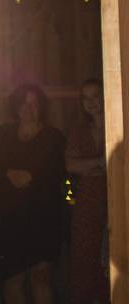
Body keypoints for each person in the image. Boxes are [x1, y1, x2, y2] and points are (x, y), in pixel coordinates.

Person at [0, 84, 66, 304]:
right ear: (16, 107)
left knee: (41, 277)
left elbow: (57, 169)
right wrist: (8, 173)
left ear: (41, 107)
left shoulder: (53, 137)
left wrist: (32, 177)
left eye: (34, 103)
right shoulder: (2, 134)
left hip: (42, 218)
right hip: (8, 220)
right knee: (12, 279)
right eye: (24, 103)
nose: (29, 108)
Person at [66, 78, 108, 304]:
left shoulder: (119, 123)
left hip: (116, 201)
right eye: (85, 98)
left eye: (95, 96)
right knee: (85, 260)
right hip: (87, 203)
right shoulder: (79, 130)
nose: (91, 102)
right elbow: (70, 165)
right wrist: (101, 162)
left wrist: (89, 165)